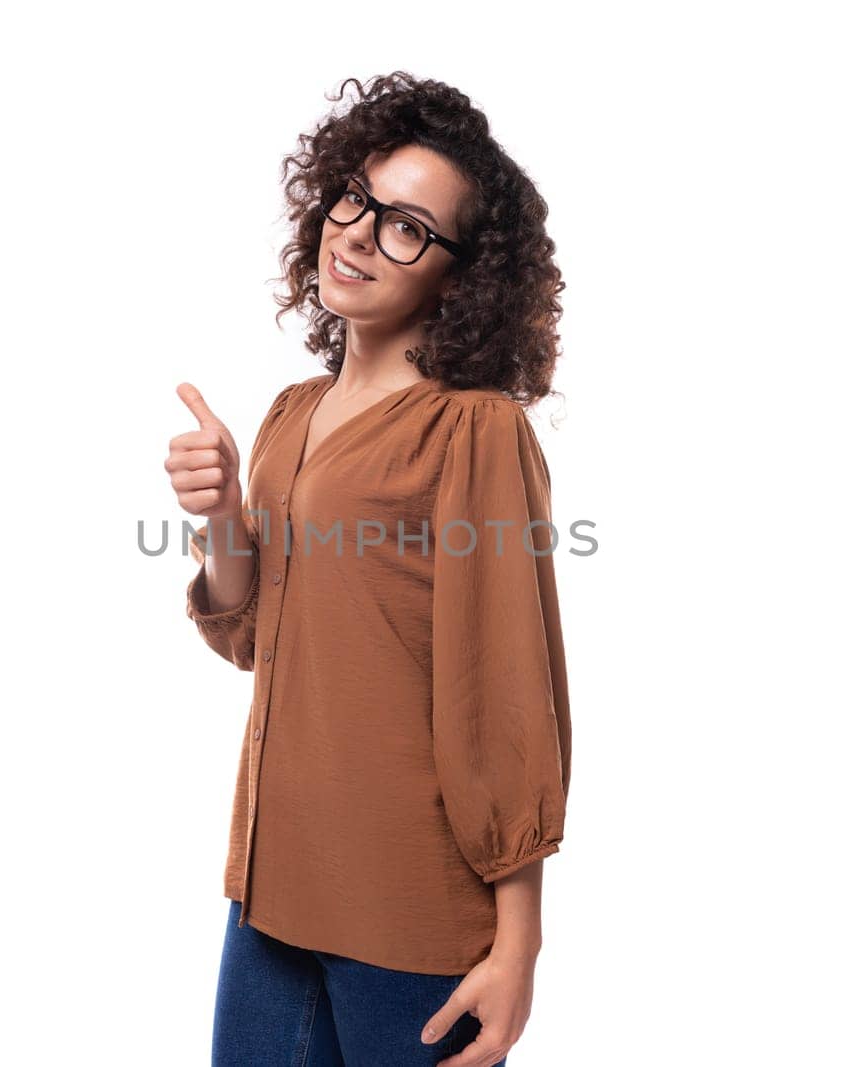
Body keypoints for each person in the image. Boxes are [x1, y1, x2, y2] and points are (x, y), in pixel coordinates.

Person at [165, 72, 571, 1066]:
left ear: (457, 273)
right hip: (268, 891)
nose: (357, 233)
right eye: (355, 198)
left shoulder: (474, 429)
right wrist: (222, 514)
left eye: (406, 227)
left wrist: (518, 939)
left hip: (411, 913)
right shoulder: (292, 414)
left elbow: (505, 690)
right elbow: (251, 632)